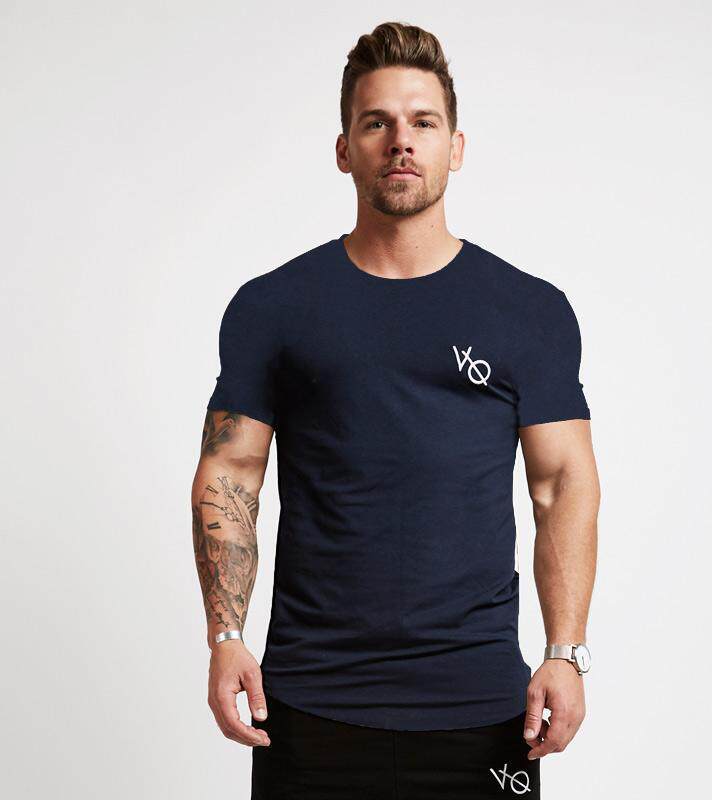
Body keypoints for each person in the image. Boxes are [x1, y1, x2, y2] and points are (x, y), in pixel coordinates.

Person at [191, 21, 600, 800]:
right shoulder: (273, 307)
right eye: (376, 123)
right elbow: (231, 471)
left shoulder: (530, 312)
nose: (401, 141)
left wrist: (566, 651)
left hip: (485, 713)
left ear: (456, 146)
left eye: (423, 122)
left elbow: (562, 484)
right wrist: (225, 636)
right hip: (308, 708)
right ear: (344, 149)